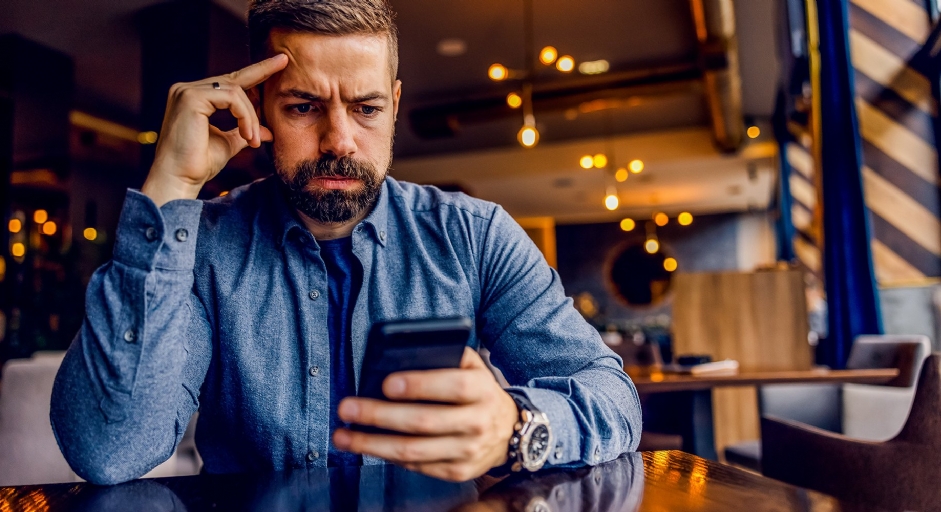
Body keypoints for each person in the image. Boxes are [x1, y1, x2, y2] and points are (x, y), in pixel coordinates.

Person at [50, 0, 641, 485]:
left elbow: (613, 397)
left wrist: (516, 427)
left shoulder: (475, 235)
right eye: (304, 107)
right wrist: (170, 188)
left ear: (395, 105)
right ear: (259, 108)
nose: (340, 140)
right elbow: (108, 450)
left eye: (366, 108)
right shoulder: (202, 247)